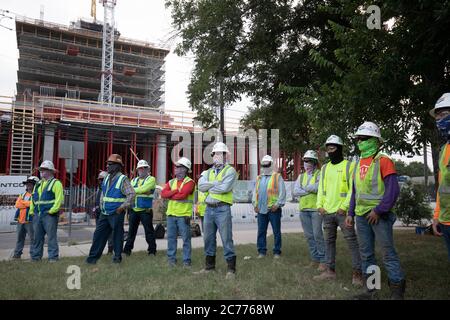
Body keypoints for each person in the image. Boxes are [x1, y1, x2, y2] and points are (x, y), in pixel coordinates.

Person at [349, 121, 405, 300]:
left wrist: (379, 210)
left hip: (379, 216)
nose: (360, 142)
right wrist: (351, 213)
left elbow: (393, 190)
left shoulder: (384, 161)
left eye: (364, 138)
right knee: (366, 254)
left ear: (375, 140)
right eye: (358, 139)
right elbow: (355, 191)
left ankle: (397, 292)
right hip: (361, 216)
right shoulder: (357, 163)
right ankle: (371, 291)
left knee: (388, 252)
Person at [314, 135, 363, 286]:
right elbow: (321, 189)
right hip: (327, 212)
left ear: (340, 148)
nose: (330, 151)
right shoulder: (325, 168)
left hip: (343, 213)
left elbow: (352, 189)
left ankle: (357, 273)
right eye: (328, 148)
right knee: (329, 242)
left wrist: (345, 207)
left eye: (333, 148)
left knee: (352, 242)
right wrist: (319, 205)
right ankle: (330, 271)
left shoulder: (350, 166)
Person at [196, 142, 238, 279]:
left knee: (226, 238)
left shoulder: (230, 171)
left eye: (220, 153)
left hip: (222, 208)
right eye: (215, 154)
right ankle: (209, 267)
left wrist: (209, 186)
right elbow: (200, 187)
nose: (217, 156)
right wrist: (215, 184)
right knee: (208, 238)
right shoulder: (207, 172)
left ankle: (231, 270)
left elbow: (225, 188)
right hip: (208, 209)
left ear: (226, 156)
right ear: (212, 156)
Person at [86, 154, 135, 264]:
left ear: (117, 166)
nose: (107, 166)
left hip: (116, 213)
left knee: (117, 236)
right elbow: (104, 194)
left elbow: (131, 195)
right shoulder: (107, 177)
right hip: (105, 213)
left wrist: (122, 208)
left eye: (110, 164)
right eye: (107, 164)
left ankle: (117, 259)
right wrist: (101, 206)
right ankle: (92, 259)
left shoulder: (123, 179)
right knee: (98, 235)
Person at [293, 150, 326, 271]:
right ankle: (315, 259)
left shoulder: (319, 174)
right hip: (303, 210)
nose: (307, 163)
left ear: (314, 162)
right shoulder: (301, 176)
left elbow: (318, 188)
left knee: (318, 235)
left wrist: (305, 189)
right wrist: (309, 190)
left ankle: (323, 261)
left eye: (310, 161)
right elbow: (295, 191)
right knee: (309, 236)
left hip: (315, 209)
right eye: (305, 161)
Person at [161, 157, 195, 267]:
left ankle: (187, 261)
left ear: (185, 169)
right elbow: (163, 194)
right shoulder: (172, 182)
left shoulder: (190, 182)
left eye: (179, 167)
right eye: (176, 167)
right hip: (171, 215)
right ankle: (171, 261)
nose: (176, 169)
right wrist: (175, 191)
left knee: (186, 239)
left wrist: (171, 194)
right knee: (171, 239)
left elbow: (183, 195)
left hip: (183, 215)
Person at [252, 155, 286, 259]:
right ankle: (261, 251)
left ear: (271, 165)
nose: (265, 167)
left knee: (276, 231)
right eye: (263, 165)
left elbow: (282, 192)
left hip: (273, 209)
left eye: (267, 165)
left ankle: (277, 251)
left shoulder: (277, 177)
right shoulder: (259, 177)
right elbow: (255, 192)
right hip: (261, 209)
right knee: (261, 231)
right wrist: (255, 204)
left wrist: (278, 204)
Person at [30, 160, 64, 262]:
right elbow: (33, 198)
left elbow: (59, 199)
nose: (41, 172)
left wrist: (52, 211)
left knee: (51, 238)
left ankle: (53, 258)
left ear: (50, 171)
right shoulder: (38, 184)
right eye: (41, 170)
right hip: (37, 215)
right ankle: (36, 258)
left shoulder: (56, 183)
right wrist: (32, 211)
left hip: (49, 215)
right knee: (37, 238)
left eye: (44, 170)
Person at [430, 92, 450, 261]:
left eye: (444, 115)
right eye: (437, 117)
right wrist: (436, 216)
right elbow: (442, 188)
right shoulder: (444, 150)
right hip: (446, 220)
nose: (440, 121)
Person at [124, 160, 157, 256]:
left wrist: (133, 191)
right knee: (131, 232)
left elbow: (144, 189)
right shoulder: (133, 180)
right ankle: (126, 251)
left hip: (145, 210)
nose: (141, 170)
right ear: (138, 169)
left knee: (149, 232)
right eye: (140, 168)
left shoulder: (151, 179)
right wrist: (137, 191)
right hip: (134, 210)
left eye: (144, 168)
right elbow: (132, 191)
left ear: (147, 169)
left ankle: (152, 251)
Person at [12, 176, 39, 259]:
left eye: (30, 184)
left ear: (34, 185)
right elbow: (17, 204)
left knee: (33, 239)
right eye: (27, 184)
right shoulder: (23, 194)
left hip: (30, 221)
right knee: (19, 239)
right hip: (21, 221)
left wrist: (23, 203)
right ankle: (17, 255)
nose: (28, 185)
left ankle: (33, 255)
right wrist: (27, 203)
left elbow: (33, 204)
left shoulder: (37, 194)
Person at [93, 171, 113, 254]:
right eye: (99, 180)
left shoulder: (108, 189)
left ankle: (110, 249)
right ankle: (97, 250)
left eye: (102, 179)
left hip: (105, 213)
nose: (100, 181)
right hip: (98, 213)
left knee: (109, 233)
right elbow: (97, 201)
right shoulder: (99, 189)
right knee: (98, 232)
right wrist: (95, 208)